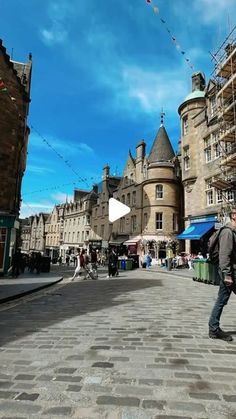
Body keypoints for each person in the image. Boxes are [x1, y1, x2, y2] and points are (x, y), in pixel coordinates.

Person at [208, 208, 236, 341]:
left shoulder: (232, 232)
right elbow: (224, 255)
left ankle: (213, 329)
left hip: (231, 272)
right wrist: (227, 275)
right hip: (230, 273)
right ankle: (213, 329)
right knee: (221, 300)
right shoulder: (227, 232)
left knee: (221, 300)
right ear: (234, 216)